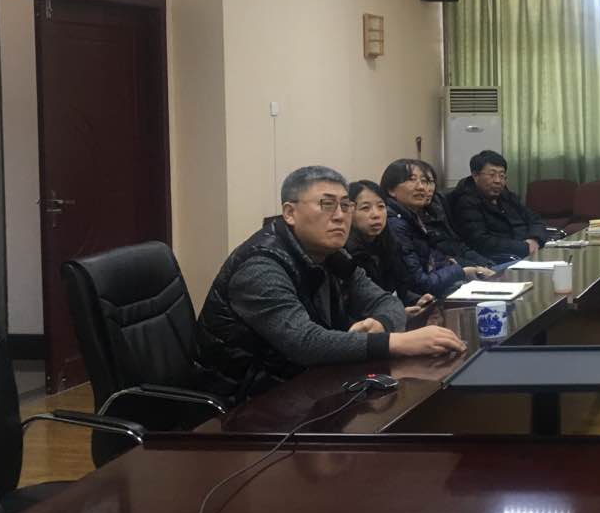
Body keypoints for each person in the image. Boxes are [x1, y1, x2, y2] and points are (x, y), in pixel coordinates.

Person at [195, 165, 467, 403]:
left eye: (345, 206)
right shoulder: (260, 267)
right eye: (327, 205)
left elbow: (386, 300)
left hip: (303, 384)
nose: (340, 216)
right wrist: (396, 342)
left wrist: (382, 323)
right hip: (243, 402)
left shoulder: (332, 254)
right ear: (290, 213)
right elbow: (305, 343)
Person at [379, 159, 494, 299]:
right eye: (411, 180)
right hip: (421, 300)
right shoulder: (395, 224)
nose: (421, 187)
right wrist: (462, 271)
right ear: (391, 189)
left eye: (424, 181)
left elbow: (436, 259)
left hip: (441, 287)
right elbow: (420, 283)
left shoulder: (413, 218)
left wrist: (454, 266)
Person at [345, 179, 434, 319]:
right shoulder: (345, 255)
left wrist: (417, 301)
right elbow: (356, 309)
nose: (376, 214)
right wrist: (396, 315)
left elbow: (399, 290)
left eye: (381, 206)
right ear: (349, 212)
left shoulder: (389, 242)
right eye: (365, 208)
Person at [449, 150, 549, 263]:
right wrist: (524, 247)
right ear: (475, 176)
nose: (498, 181)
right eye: (492, 175)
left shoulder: (507, 197)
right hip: (501, 260)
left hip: (527, 254)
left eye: (502, 176)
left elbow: (535, 220)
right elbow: (481, 242)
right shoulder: (465, 202)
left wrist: (534, 239)